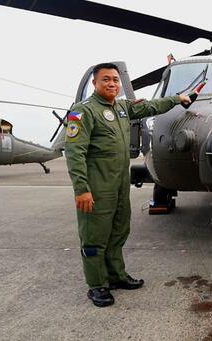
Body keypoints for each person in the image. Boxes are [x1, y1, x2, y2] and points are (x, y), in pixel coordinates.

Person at [64, 62, 191, 307]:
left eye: (114, 79)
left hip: (120, 184)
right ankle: (97, 285)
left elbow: (151, 106)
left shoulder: (121, 108)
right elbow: (74, 153)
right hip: (97, 186)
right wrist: (81, 189)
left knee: (119, 232)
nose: (111, 83)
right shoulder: (83, 112)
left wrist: (177, 99)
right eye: (105, 80)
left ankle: (116, 276)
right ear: (95, 83)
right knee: (94, 237)